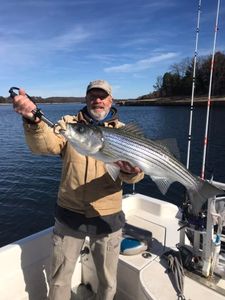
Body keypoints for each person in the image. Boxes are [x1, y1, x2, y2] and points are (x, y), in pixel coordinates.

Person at [12, 79, 144, 300]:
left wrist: (131, 172)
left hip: (107, 218)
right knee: (59, 279)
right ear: (86, 98)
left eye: (103, 96)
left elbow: (137, 175)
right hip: (69, 216)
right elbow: (44, 145)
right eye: (93, 96)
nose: (98, 100)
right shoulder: (69, 125)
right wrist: (33, 120)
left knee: (108, 281)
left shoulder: (124, 133)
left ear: (111, 100)